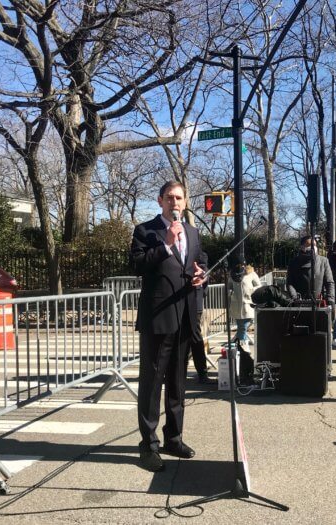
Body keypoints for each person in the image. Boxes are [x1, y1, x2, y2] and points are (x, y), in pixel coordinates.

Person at [130, 181, 207, 472]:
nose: (175, 202)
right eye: (170, 198)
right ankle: (148, 445)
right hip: (158, 317)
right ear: (160, 200)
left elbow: (199, 264)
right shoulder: (145, 231)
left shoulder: (193, 232)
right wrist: (166, 245)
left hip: (186, 316)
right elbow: (137, 265)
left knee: (177, 382)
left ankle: (173, 438)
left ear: (185, 202)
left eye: (179, 198)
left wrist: (202, 275)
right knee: (151, 383)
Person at [286, 235, 335, 305]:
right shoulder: (293, 262)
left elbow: (329, 282)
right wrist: (295, 298)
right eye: (309, 245)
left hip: (319, 303)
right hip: (299, 303)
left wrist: (330, 299)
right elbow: (290, 283)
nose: (312, 247)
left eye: (314, 245)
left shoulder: (323, 261)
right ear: (302, 247)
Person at [188, 250, 214, 384]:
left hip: (194, 301)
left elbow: (205, 272)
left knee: (195, 337)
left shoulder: (199, 254)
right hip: (180, 300)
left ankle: (202, 373)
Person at [229, 262, 262, 345]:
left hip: (248, 303)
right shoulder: (232, 274)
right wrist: (230, 292)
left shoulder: (251, 274)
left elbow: (259, 286)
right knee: (241, 327)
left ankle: (241, 345)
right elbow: (229, 286)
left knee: (242, 327)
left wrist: (251, 290)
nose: (240, 266)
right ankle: (242, 345)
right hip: (236, 305)